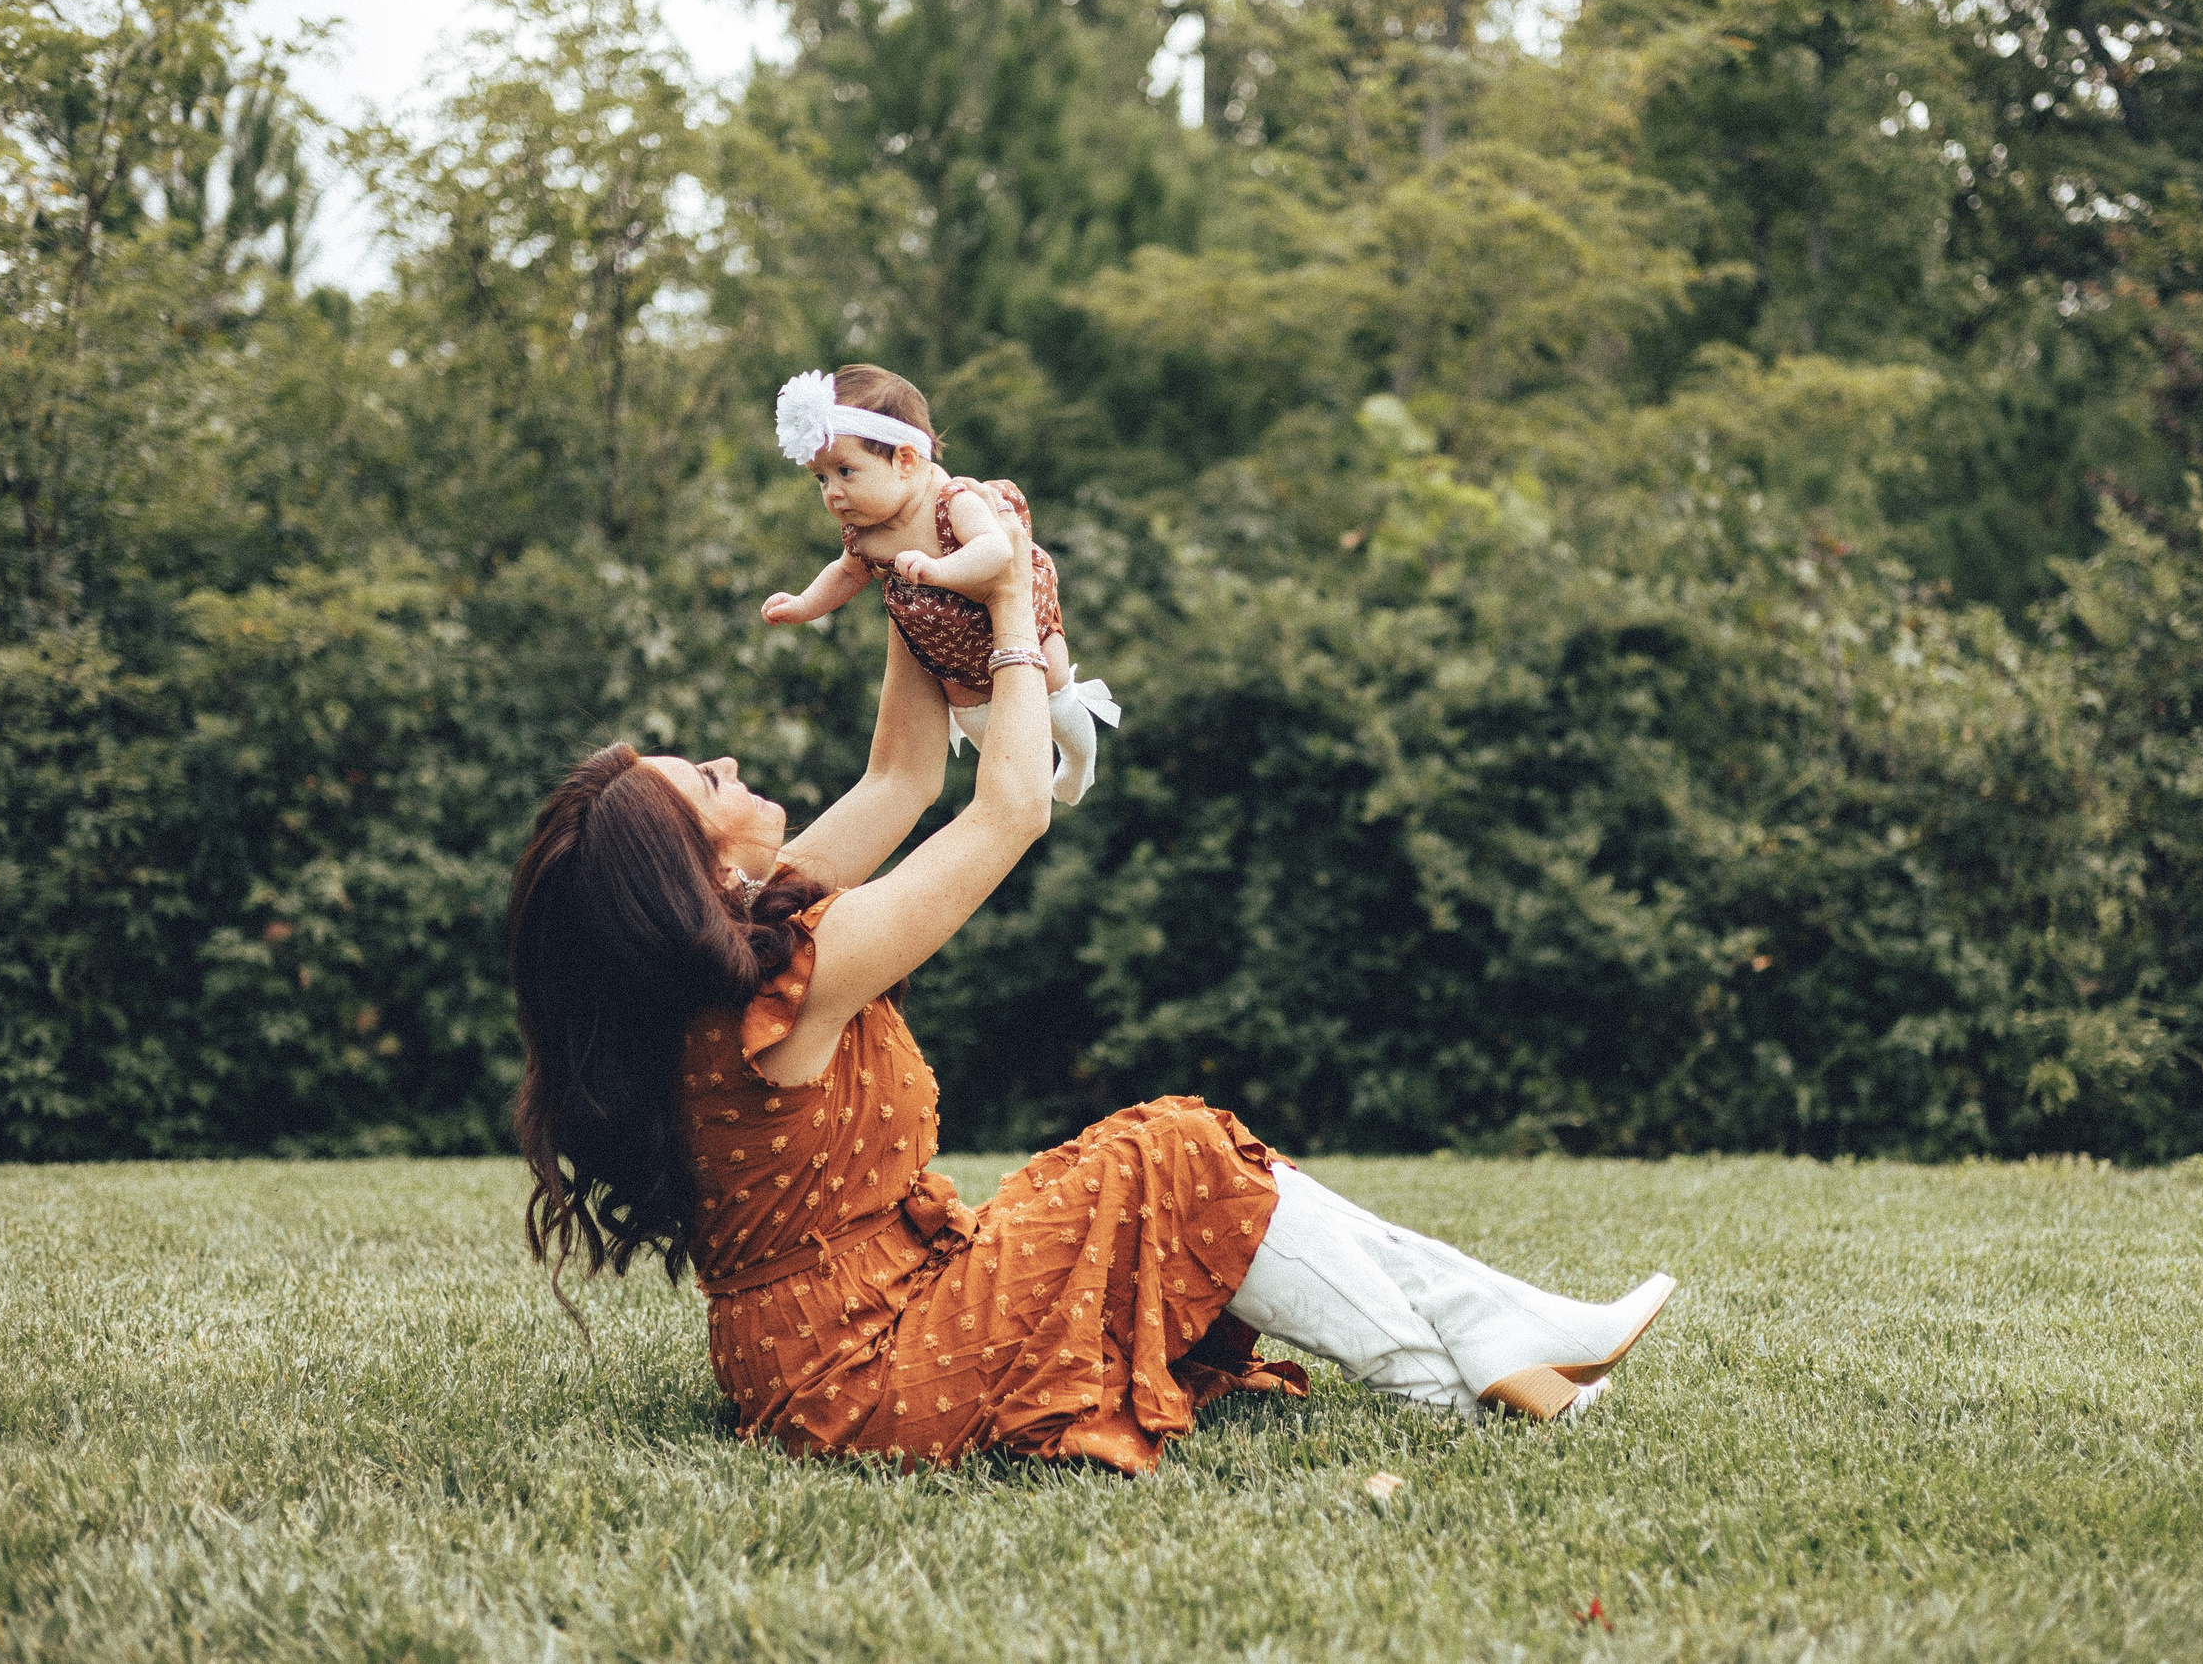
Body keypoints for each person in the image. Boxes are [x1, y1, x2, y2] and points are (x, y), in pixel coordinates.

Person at [509, 515, 1675, 1473]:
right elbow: (1009, 806)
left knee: (1141, 1161)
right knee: (1170, 1153)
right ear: (704, 869)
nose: (727, 764)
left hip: (858, 1320)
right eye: (705, 781)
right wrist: (1011, 602)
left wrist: (906, 567)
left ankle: (1507, 1336)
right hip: (862, 1373)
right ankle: (1457, 1384)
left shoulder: (747, 952)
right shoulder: (790, 984)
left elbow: (903, 773)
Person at [759, 363, 1119, 805]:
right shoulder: (864, 533)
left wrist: (939, 571)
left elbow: (997, 550)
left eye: (845, 472)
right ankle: (1026, 780)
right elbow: (847, 573)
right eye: (821, 478)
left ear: (905, 460)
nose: (833, 492)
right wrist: (804, 605)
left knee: (1055, 688)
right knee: (974, 715)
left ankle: (1079, 760)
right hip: (949, 643)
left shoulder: (952, 501)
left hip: (1013, 618)